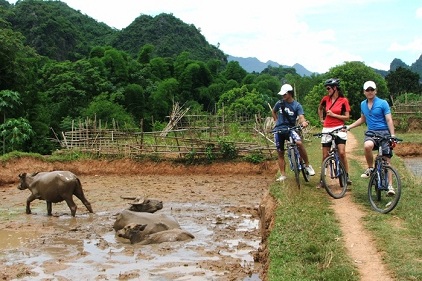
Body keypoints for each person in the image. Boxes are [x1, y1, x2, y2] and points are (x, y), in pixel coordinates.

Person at [345, 80, 396, 195]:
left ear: (375, 91)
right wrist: (349, 127)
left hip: (384, 132)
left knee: (387, 160)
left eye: (372, 89)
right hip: (371, 132)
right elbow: (363, 119)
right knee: (367, 146)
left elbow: (389, 119)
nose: (370, 92)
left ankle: (390, 186)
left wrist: (392, 135)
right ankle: (370, 168)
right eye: (367, 90)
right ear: (364, 92)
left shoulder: (383, 103)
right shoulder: (363, 104)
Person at [272, 83, 315, 182]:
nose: (283, 96)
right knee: (280, 152)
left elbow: (301, 117)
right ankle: (283, 174)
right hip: (279, 130)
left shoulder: (297, 105)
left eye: (285, 94)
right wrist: (276, 121)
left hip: (291, 129)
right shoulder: (279, 103)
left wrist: (303, 122)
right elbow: (273, 111)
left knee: (299, 143)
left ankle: (307, 165)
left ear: (290, 94)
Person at [317, 78, 352, 186]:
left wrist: (334, 115)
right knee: (325, 155)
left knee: (341, 152)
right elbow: (320, 108)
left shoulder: (343, 100)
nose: (327, 90)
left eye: (328, 88)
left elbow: (347, 117)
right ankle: (322, 179)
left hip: (339, 127)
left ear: (335, 88)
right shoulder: (325, 99)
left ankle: (346, 175)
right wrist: (321, 119)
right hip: (327, 127)